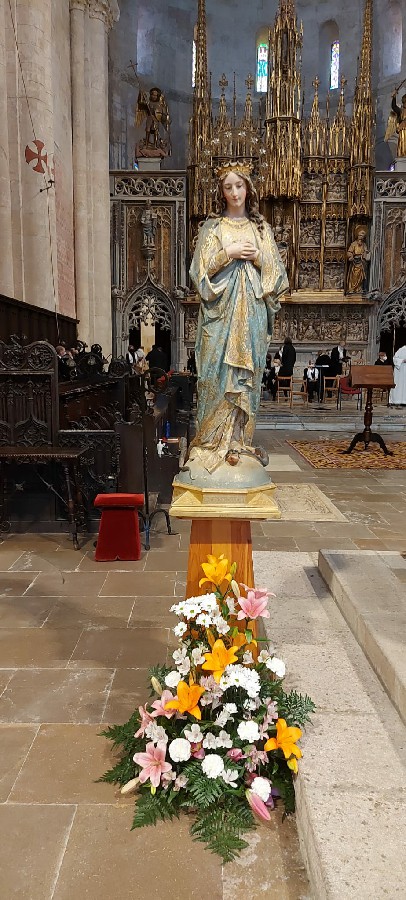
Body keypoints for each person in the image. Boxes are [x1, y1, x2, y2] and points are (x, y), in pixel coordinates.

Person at [188, 161, 288, 472]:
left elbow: (278, 276)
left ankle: (238, 442)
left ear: (248, 188)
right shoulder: (212, 228)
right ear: (221, 191)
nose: (234, 192)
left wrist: (258, 257)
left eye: (239, 185)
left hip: (252, 313)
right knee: (214, 374)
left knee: (246, 379)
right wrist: (227, 254)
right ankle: (209, 443)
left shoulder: (261, 229)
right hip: (219, 314)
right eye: (228, 187)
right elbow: (198, 272)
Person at [347, 227, 370, 294]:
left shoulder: (364, 245)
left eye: (362, 236)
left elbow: (366, 251)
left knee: (361, 276)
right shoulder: (353, 244)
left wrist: (366, 253)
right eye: (360, 235)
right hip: (355, 262)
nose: (361, 237)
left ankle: (359, 289)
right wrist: (351, 256)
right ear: (357, 235)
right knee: (354, 276)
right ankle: (352, 288)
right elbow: (349, 252)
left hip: (362, 262)